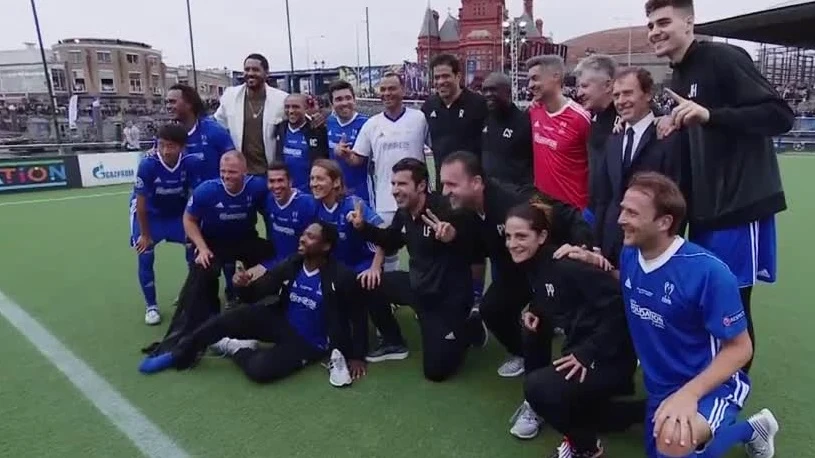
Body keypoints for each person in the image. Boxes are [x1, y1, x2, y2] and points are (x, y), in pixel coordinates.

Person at [568, 172, 779, 458]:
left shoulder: (709, 273)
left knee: (674, 444)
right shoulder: (632, 254)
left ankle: (744, 429)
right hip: (660, 386)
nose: (620, 219)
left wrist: (690, 394)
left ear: (664, 222)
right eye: (622, 209)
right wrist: (595, 264)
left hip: (712, 385)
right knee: (664, 448)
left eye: (632, 213)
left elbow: (741, 349)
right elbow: (635, 283)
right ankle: (752, 429)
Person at [645, 0, 795, 373]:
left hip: (738, 206)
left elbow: (780, 116)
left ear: (689, 22)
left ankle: (732, 391)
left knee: (732, 304)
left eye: (664, 21)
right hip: (703, 212)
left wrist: (709, 115)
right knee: (706, 299)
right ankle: (709, 375)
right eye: (650, 25)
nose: (655, 31)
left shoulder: (725, 58)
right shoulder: (677, 77)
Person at [138, 221, 368, 388]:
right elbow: (258, 292)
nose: (302, 238)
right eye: (304, 234)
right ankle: (177, 355)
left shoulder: (341, 276)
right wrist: (244, 285)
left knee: (259, 371)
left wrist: (357, 355)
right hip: (281, 321)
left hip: (308, 343)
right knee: (226, 320)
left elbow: (357, 316)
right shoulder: (293, 263)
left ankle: (237, 348)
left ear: (326, 246)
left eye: (310, 236)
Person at [439, 151, 594, 378]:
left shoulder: (514, 201)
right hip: (515, 272)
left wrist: (582, 247)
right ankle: (522, 354)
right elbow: (477, 250)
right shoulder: (464, 211)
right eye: (443, 184)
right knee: (491, 309)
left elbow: (569, 215)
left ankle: (545, 384)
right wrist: (453, 238)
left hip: (548, 269)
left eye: (452, 184)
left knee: (539, 320)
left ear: (477, 183)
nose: (445, 192)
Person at [504, 203, 638, 456]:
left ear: (542, 236)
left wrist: (588, 353)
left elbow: (621, 308)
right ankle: (648, 411)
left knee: (537, 388)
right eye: (509, 237)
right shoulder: (533, 264)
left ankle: (586, 449)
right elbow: (552, 293)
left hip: (608, 356)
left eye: (521, 236)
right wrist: (536, 308)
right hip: (582, 348)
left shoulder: (567, 264)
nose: (513, 243)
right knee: (532, 329)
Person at [349, 158, 488, 379]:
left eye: (402, 184)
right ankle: (393, 341)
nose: (395, 190)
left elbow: (475, 249)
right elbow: (392, 241)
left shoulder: (447, 209)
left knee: (436, 372)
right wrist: (363, 227)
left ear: (421, 186)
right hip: (418, 287)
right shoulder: (404, 211)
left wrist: (453, 237)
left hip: (445, 300)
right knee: (367, 284)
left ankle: (469, 328)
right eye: (393, 184)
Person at [593, 67, 680, 266]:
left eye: (628, 93)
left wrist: (667, 249)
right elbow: (603, 198)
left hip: (651, 247)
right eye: (616, 95)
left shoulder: (668, 137)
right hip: (612, 246)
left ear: (648, 94)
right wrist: (597, 243)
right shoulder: (613, 140)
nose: (621, 101)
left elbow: (676, 199)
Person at [342, 72, 428, 271]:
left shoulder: (419, 118)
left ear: (403, 90)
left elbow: (436, 146)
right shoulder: (372, 124)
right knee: (386, 249)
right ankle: (391, 292)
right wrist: (345, 155)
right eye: (383, 89)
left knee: (424, 246)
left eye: (392, 88)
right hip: (386, 198)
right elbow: (358, 158)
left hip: (419, 198)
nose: (387, 93)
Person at [166, 83, 239, 302]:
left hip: (218, 203)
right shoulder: (173, 134)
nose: (168, 106)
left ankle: (232, 292)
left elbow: (233, 160)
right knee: (193, 249)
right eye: (167, 101)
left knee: (225, 250)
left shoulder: (214, 130)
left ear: (188, 103)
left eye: (172, 101)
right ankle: (194, 290)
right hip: (190, 204)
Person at [130, 123, 201, 325]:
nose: (166, 150)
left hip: (178, 215)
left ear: (182, 146)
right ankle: (151, 306)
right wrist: (144, 235)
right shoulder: (148, 164)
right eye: (161, 145)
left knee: (195, 249)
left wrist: (193, 229)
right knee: (145, 254)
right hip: (150, 217)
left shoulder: (191, 162)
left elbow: (195, 198)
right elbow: (141, 205)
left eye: (171, 146)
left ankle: (189, 296)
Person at [527, 55, 592, 210]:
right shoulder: (534, 110)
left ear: (555, 77)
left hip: (573, 210)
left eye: (535, 78)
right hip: (542, 207)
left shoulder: (580, 118)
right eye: (529, 79)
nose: (530, 85)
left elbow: (596, 164)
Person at [215, 53, 289, 176]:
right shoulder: (230, 96)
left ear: (266, 73)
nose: (250, 73)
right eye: (247, 69)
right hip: (241, 174)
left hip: (270, 173)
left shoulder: (281, 99)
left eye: (255, 70)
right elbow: (217, 125)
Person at [421, 54, 488, 187]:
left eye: (445, 76)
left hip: (471, 183)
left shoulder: (478, 104)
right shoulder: (429, 106)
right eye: (437, 77)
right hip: (443, 183)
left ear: (458, 76)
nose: (440, 81)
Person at [574, 54, 619, 219]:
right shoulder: (593, 117)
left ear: (607, 85)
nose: (579, 93)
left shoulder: (632, 117)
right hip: (594, 209)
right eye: (579, 87)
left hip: (619, 215)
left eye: (585, 86)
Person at [254, 161, 318, 273]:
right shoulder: (267, 200)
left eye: (280, 180)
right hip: (274, 261)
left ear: (290, 181)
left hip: (300, 265)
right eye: (272, 181)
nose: (276, 186)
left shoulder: (307, 204)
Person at [480, 72, 534, 190]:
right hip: (491, 194)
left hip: (516, 197)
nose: (488, 94)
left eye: (493, 90)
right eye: (485, 90)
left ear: (508, 92)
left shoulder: (524, 122)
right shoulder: (486, 119)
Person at [274, 94, 329, 193]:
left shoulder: (317, 130)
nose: (291, 111)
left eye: (296, 107)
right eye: (287, 107)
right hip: (286, 192)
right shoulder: (280, 128)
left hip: (311, 192)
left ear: (306, 108)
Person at [327, 80, 371, 203]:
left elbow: (361, 160)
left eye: (348, 98)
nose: (344, 103)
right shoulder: (328, 122)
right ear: (332, 103)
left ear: (354, 100)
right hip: (334, 193)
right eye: (339, 99)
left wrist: (347, 155)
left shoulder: (367, 123)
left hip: (362, 194)